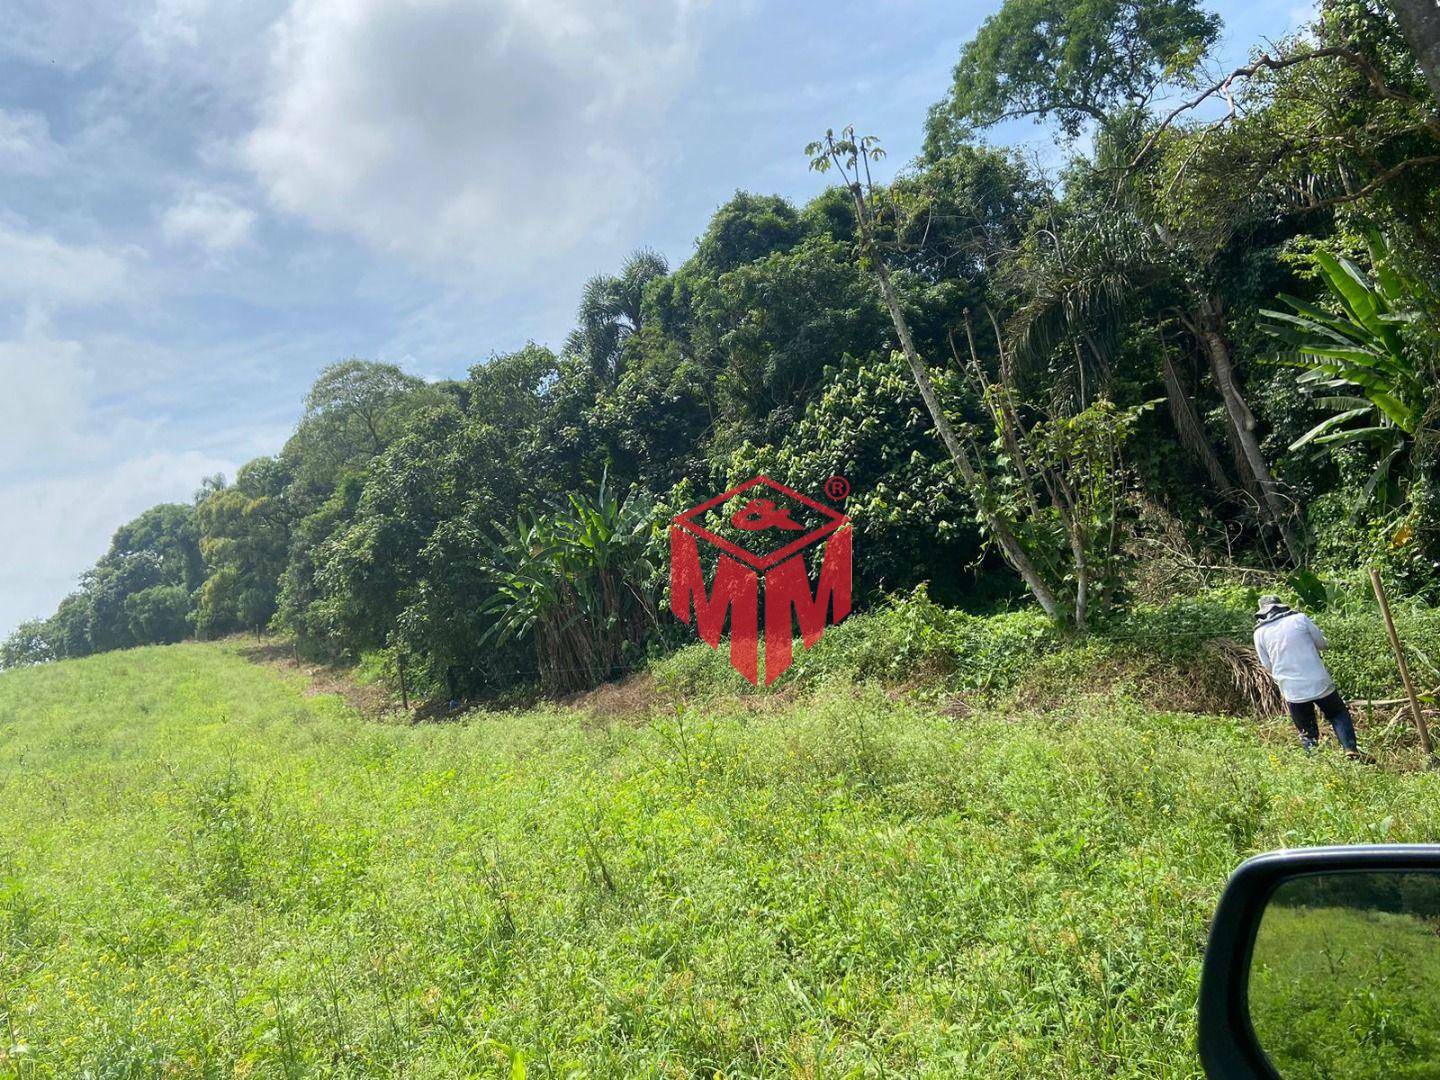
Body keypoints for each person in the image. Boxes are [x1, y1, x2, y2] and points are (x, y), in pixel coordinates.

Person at [1253, 595, 1361, 757]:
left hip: (1291, 689)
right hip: (1318, 680)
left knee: (1306, 730)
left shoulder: (1259, 633)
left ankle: (1314, 762)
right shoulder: (1300, 619)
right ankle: (1350, 749)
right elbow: (1323, 644)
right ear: (1281, 607)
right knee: (1337, 713)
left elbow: (1267, 665)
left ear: (1263, 613)